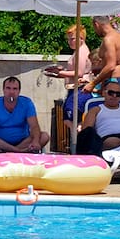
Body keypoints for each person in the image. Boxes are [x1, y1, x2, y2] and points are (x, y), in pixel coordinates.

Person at [43, 22, 91, 151]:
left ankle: (79, 147)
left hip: (79, 90)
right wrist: (59, 73)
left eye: (72, 38)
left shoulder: (81, 52)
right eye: (68, 39)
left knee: (73, 121)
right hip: (75, 89)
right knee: (71, 120)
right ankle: (78, 146)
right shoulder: (79, 51)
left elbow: (79, 73)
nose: (69, 42)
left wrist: (58, 72)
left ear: (81, 38)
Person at [0, 76, 46, 153]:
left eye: (15, 89)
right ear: (3, 90)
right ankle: (17, 151)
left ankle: (9, 151)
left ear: (19, 91)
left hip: (22, 142)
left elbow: (34, 126)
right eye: (8, 88)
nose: (11, 92)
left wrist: (35, 141)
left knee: (44, 136)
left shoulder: (27, 103)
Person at [90, 15, 120, 99]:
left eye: (94, 28)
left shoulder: (108, 39)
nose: (95, 31)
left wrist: (92, 84)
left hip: (114, 81)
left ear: (96, 24)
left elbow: (111, 66)